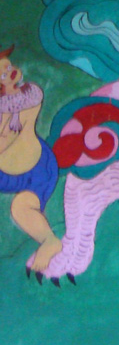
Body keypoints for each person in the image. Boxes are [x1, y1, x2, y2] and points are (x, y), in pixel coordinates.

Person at [0, 46, 61, 273]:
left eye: (8, 67)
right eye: (4, 74)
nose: (11, 72)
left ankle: (50, 241)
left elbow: (8, 137)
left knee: (21, 208)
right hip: (6, 174)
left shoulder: (27, 97)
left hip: (36, 170)